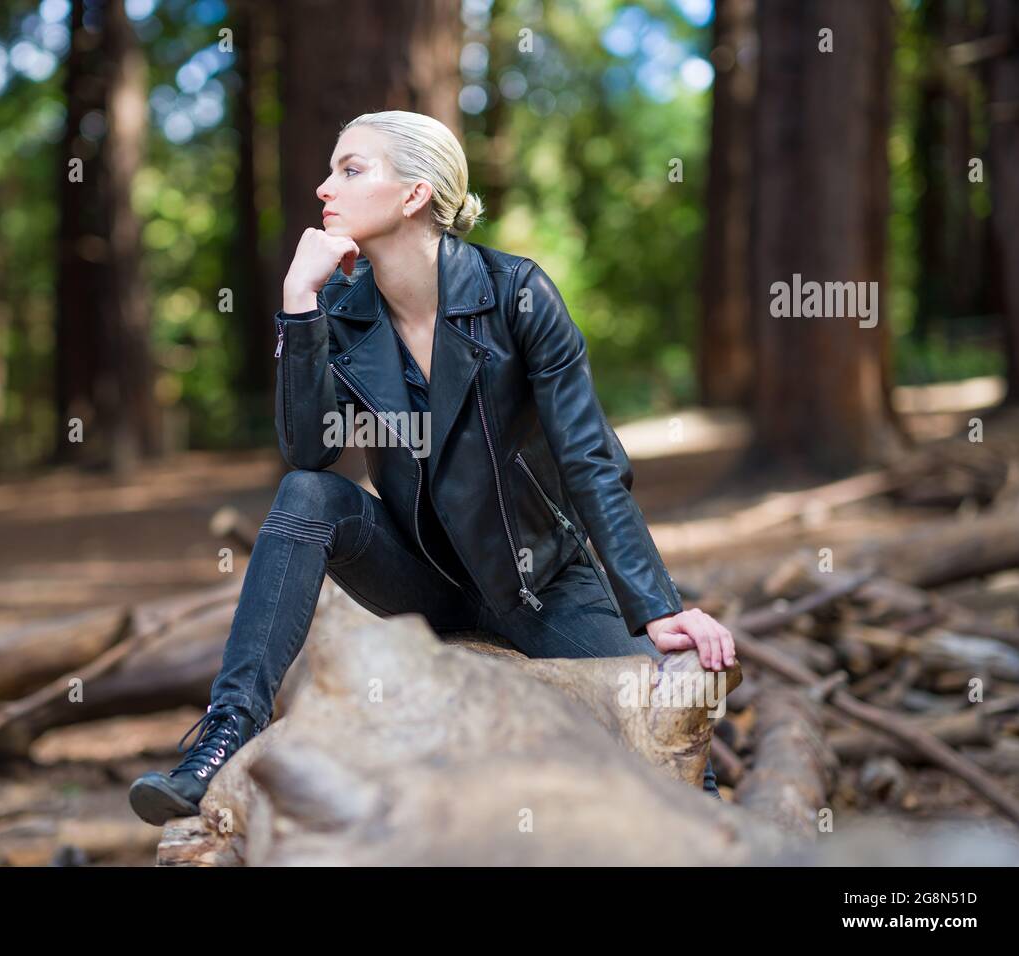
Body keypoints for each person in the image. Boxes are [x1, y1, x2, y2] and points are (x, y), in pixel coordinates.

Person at [129, 110, 736, 826]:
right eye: (330, 169)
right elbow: (309, 451)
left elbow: (590, 461)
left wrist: (656, 606)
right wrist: (299, 309)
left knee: (667, 767)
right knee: (306, 494)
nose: (325, 187)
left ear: (415, 194)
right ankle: (225, 736)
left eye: (351, 169)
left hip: (540, 583)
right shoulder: (341, 309)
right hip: (425, 582)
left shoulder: (517, 296)